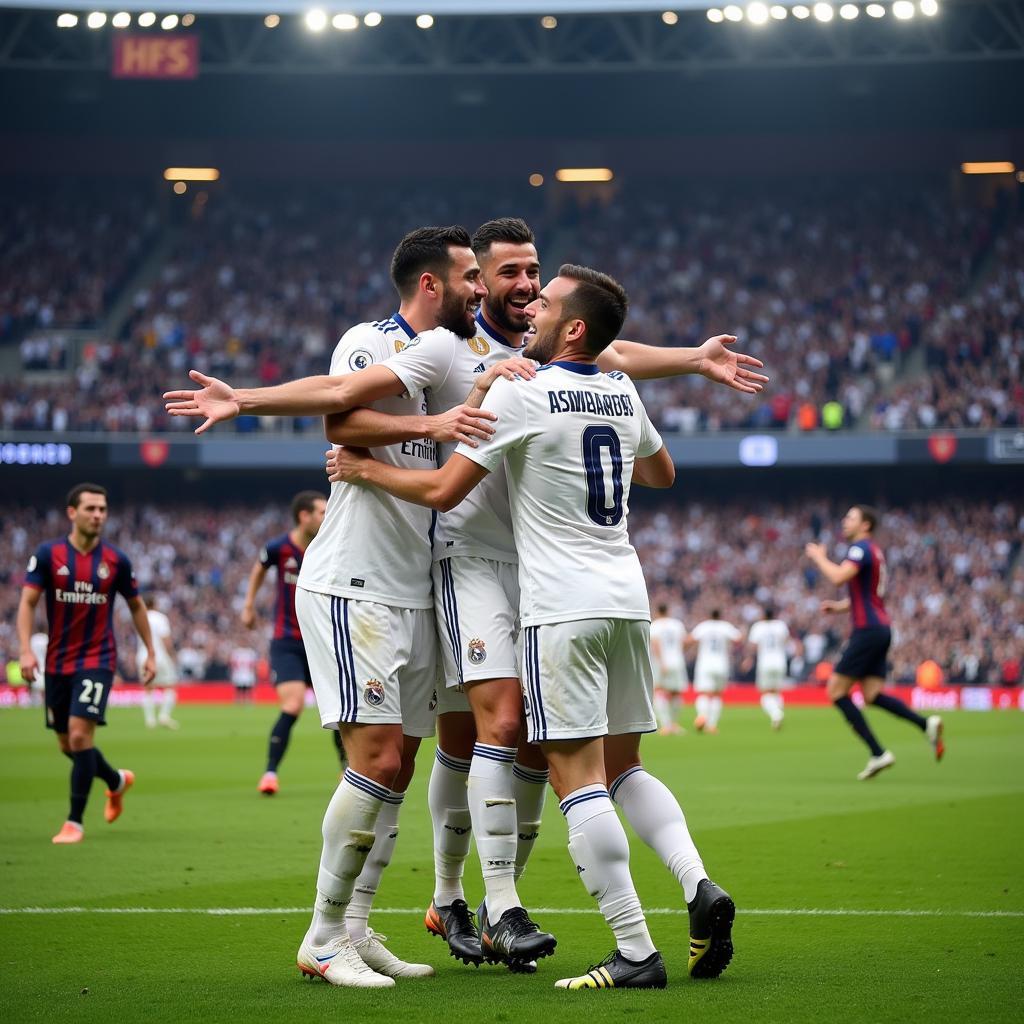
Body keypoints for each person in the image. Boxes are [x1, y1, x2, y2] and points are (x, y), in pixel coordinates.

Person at [164, 217, 765, 971]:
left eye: (533, 274)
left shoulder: (542, 355)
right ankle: (496, 900)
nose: (522, 287)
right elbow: (344, 394)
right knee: (500, 720)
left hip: (540, 573)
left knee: (535, 748)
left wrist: (693, 361)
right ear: (475, 280)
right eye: (508, 274)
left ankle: (455, 900)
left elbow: (615, 349)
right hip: (468, 561)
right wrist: (247, 402)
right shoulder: (452, 347)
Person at [330, 264, 736, 990]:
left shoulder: (525, 390)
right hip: (628, 595)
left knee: (574, 775)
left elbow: (442, 487)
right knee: (626, 767)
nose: (531, 307)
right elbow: (662, 474)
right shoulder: (619, 390)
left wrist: (364, 471)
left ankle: (633, 948)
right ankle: (696, 881)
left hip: (560, 603)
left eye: (545, 301)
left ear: (572, 328)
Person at [16, 483, 156, 844]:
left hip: (97, 658)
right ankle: (115, 780)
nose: (98, 515)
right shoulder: (48, 554)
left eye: (103, 509)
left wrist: (151, 652)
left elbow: (137, 606)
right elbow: (28, 602)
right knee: (67, 745)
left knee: (79, 736)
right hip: (57, 661)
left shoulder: (116, 560)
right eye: (91, 508)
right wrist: (26, 650)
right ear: (72, 513)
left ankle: (74, 822)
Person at [805, 504, 945, 780]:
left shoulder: (860, 549)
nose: (845, 521)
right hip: (881, 628)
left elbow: (837, 576)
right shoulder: (876, 552)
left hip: (867, 630)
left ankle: (878, 752)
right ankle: (925, 723)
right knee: (870, 694)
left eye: (851, 518)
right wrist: (841, 607)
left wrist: (819, 557)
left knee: (836, 691)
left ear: (865, 525)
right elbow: (869, 595)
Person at [240, 490, 343, 795]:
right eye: (322, 512)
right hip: (287, 641)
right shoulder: (278, 548)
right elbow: (259, 568)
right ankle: (270, 773)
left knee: (338, 710)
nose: (327, 518)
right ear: (304, 516)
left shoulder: (330, 547)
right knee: (294, 704)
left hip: (323, 640)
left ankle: (347, 772)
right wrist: (248, 605)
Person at [689, 611, 742, 734]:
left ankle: (702, 715)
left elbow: (691, 639)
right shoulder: (725, 626)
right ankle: (711, 725)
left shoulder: (704, 626)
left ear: (709, 615)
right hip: (721, 664)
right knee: (717, 695)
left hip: (705, 664)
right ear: (720, 616)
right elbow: (739, 638)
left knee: (704, 693)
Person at [138, 593, 180, 730]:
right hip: (159, 655)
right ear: (155, 604)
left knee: (148, 688)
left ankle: (150, 720)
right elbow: (165, 639)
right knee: (169, 686)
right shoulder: (160, 618)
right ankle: (164, 716)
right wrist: (172, 655)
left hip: (142, 655)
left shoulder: (139, 617)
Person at [747, 607, 790, 730]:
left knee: (766, 692)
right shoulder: (781, 625)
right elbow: (786, 640)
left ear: (763, 615)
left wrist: (749, 659)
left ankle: (776, 714)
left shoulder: (758, 627)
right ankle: (777, 714)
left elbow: (753, 646)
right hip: (780, 661)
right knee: (776, 691)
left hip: (765, 662)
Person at [649, 602, 688, 734]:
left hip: (662, 663)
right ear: (668, 611)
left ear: (657, 611)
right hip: (677, 661)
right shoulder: (677, 624)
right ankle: (675, 724)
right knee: (676, 692)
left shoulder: (654, 625)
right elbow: (685, 641)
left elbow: (655, 643)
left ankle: (666, 725)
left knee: (659, 691)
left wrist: (661, 662)